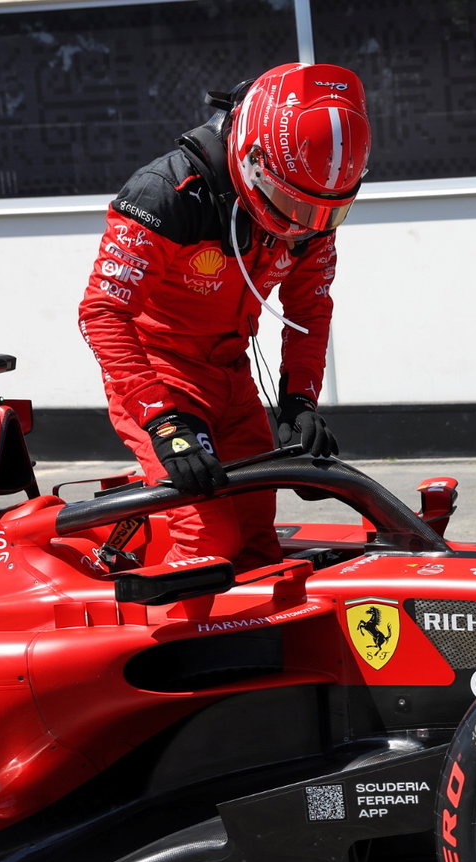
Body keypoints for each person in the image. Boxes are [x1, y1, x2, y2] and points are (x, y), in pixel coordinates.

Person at [78, 62, 370, 567]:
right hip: (162, 377)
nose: (302, 226)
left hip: (233, 380)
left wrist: (299, 402)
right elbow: (102, 313)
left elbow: (311, 307)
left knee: (258, 541)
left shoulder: (309, 201)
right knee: (207, 540)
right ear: (252, 157)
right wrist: (162, 422)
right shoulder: (164, 195)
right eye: (288, 202)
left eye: (326, 214)